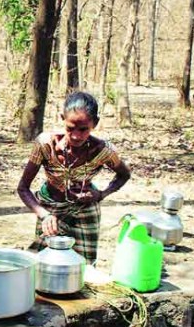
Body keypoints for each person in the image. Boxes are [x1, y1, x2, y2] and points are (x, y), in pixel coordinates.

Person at [17, 91, 131, 263]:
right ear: (62, 119)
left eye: (83, 129)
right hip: (50, 209)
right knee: (43, 262)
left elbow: (124, 175)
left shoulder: (103, 150)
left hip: (86, 210)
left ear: (95, 123)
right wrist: (44, 215)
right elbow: (23, 188)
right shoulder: (46, 144)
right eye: (70, 128)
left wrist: (101, 194)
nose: (76, 136)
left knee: (84, 264)